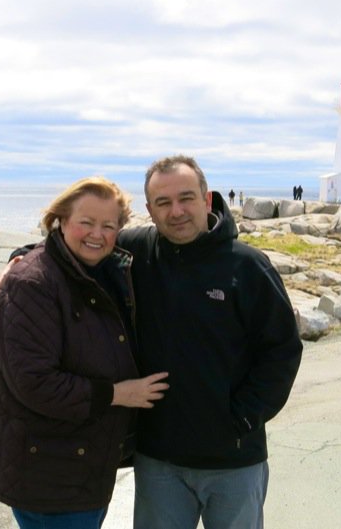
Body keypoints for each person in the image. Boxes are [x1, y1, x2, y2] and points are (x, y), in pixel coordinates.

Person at [117, 155, 303, 529]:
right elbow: (77, 245)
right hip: (159, 460)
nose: (177, 211)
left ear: (207, 199)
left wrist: (243, 418)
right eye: (163, 203)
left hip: (235, 460)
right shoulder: (134, 251)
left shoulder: (247, 266)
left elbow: (282, 350)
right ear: (150, 210)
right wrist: (21, 258)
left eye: (186, 198)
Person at [0, 177, 170, 529]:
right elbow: (35, 382)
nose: (97, 234)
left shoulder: (101, 270)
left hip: (80, 465)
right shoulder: (31, 284)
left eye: (108, 226)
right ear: (62, 221)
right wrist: (119, 394)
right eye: (86, 222)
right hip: (49, 472)